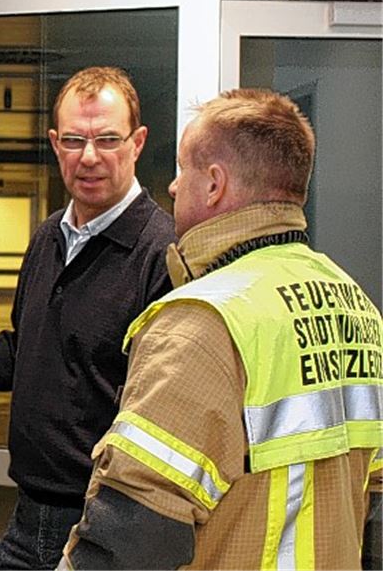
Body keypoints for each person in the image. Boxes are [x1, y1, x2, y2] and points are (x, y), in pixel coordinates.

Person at [59, 88, 383, 569]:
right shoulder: (354, 304)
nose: (171, 187)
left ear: (214, 184)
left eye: (182, 170)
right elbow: (369, 489)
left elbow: (133, 532)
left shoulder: (201, 324)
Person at [0, 66, 176, 570]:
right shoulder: (49, 238)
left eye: (107, 139)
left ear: (138, 143)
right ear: (54, 142)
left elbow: (165, 415)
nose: (89, 157)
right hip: (28, 518)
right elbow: (25, 355)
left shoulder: (162, 254)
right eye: (74, 139)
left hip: (106, 530)